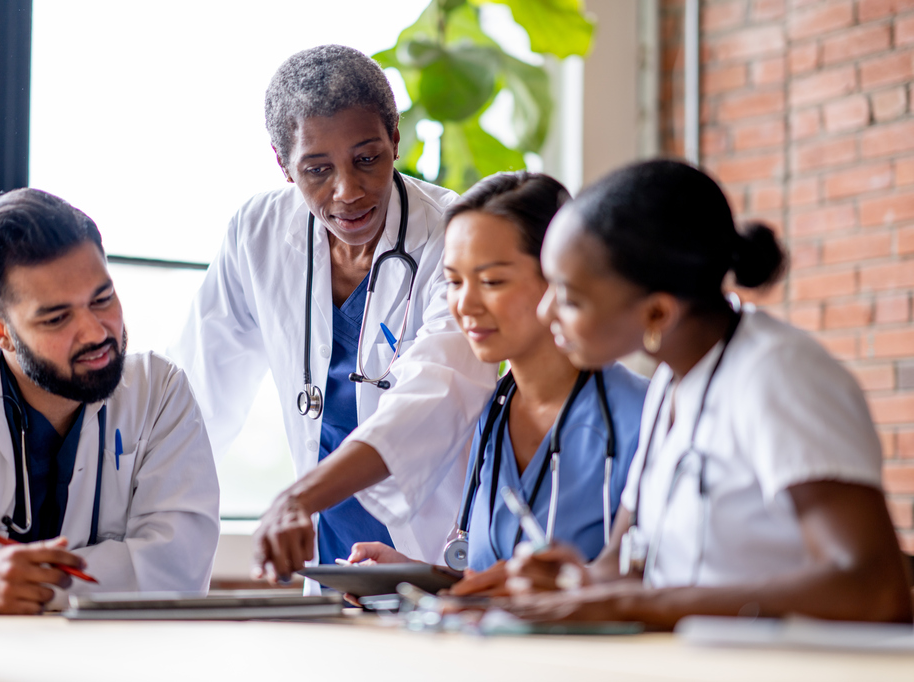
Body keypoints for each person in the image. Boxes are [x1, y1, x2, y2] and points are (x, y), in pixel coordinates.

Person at [504, 159, 913, 626]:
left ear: (658, 314)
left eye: (570, 297)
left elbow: (873, 588)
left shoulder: (778, 374)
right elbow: (629, 568)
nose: (544, 312)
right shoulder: (670, 383)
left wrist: (632, 605)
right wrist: (574, 583)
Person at [169, 45, 496, 583]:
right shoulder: (260, 232)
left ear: (395, 137)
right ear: (283, 165)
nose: (348, 191)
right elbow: (201, 393)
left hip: (436, 549)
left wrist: (298, 497)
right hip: (332, 553)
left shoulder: (453, 233)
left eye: (367, 158)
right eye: (317, 170)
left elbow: (439, 394)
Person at [0, 189, 220, 614]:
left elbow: (178, 568)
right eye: (57, 318)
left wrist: (31, 586)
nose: (96, 333)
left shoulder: (158, 393)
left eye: (102, 299)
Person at [343, 172, 648, 595]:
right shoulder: (493, 411)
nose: (464, 304)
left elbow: (663, 582)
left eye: (492, 281)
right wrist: (414, 576)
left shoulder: (642, 419)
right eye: (453, 281)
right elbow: (501, 580)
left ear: (559, 277)